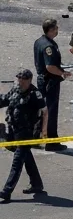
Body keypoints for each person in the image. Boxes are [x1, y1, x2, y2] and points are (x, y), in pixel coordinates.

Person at [0, 69, 47, 202]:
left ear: (28, 81)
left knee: (17, 162)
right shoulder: (16, 89)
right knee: (26, 157)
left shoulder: (34, 94)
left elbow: (45, 111)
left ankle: (6, 191)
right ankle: (37, 184)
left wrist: (44, 131)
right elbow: (6, 100)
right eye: (18, 80)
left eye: (22, 81)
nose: (19, 83)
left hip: (27, 132)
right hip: (14, 130)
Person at [33, 18, 70, 152]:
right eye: (55, 29)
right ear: (50, 30)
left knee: (42, 109)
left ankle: (36, 136)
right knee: (51, 111)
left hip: (42, 79)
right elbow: (49, 66)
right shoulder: (48, 46)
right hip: (50, 81)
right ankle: (51, 141)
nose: (57, 31)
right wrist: (62, 73)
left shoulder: (39, 41)